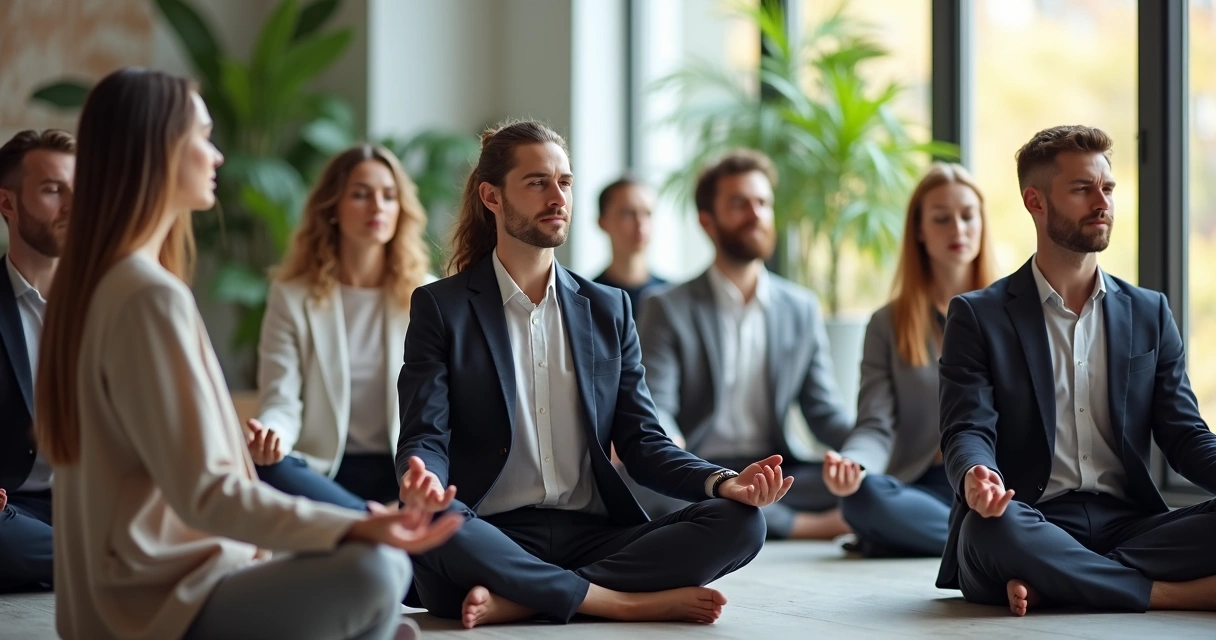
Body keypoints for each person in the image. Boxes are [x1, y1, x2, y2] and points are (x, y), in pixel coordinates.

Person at [35, 67, 461, 640]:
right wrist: (357, 527)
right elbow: (209, 493)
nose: (216, 157)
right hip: (157, 603)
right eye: (203, 138)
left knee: (381, 598)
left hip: (122, 595)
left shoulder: (97, 285)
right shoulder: (148, 297)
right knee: (381, 568)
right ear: (159, 148)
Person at [396, 120, 792, 629]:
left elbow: (644, 442)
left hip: (593, 532)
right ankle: (616, 601)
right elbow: (425, 432)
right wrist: (420, 477)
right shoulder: (441, 307)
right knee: (435, 522)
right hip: (489, 530)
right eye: (537, 182)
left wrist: (722, 482)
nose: (557, 196)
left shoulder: (608, 309)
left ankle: (526, 598)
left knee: (742, 523)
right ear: (491, 197)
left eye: (565, 181)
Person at [937, 124, 1216, 617]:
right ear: (1035, 202)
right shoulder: (978, 315)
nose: (1102, 202)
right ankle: (1164, 594)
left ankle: (1061, 579)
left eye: (1107, 188)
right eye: (1082, 189)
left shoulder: (1150, 312)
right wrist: (976, 476)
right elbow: (968, 426)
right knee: (986, 531)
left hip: (1129, 522)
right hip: (1027, 515)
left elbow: (1186, 436)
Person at [636, 149, 852, 540]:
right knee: (642, 485)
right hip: (701, 467)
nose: (756, 214)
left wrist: (868, 449)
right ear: (707, 221)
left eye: (763, 203)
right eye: (739, 204)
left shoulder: (800, 308)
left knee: (862, 483)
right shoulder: (666, 307)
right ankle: (803, 526)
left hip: (776, 468)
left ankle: (757, 513)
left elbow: (823, 411)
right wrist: (669, 441)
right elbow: (657, 405)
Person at [821, 162, 996, 557]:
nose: (958, 229)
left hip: (988, 484)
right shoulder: (887, 323)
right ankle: (981, 541)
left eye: (968, 216)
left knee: (1006, 510)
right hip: (918, 486)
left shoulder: (1009, 315)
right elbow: (875, 425)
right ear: (919, 230)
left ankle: (957, 536)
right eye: (941, 218)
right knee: (861, 498)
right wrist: (853, 465)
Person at [249, 143, 432, 510]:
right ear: (332, 208)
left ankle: (367, 529)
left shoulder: (428, 296)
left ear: (401, 209)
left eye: (389, 196)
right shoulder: (291, 296)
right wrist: (272, 434)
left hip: (403, 472)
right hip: (322, 473)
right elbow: (281, 398)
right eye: (361, 195)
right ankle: (377, 527)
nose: (377, 206)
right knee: (264, 466)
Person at [0, 128, 74, 592]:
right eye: (52, 190)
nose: (71, 205)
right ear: (6, 203)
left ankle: (87, 564)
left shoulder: (111, 302)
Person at [593, 176, 666, 317]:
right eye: (627, 213)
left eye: (648, 214)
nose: (640, 224)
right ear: (602, 222)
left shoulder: (671, 296)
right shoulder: (586, 297)